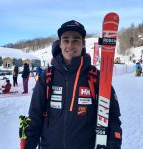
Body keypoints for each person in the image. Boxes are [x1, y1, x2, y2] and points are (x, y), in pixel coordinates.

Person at [24, 20, 122, 149]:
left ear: (83, 44)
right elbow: (34, 118)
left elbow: (113, 117)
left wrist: (113, 144)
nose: (70, 45)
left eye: (76, 40)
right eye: (66, 40)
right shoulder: (47, 77)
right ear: (60, 44)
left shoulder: (96, 78)